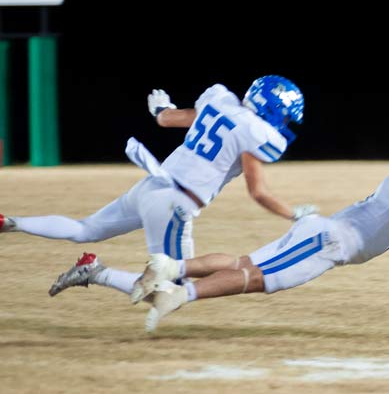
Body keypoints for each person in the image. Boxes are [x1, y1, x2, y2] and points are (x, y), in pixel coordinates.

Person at [0, 76, 311, 301]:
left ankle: (12, 222)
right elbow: (258, 192)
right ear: (272, 109)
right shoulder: (255, 132)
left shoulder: (220, 102)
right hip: (175, 202)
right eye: (285, 116)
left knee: (85, 229)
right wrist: (294, 214)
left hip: (151, 184)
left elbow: (166, 119)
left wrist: (161, 108)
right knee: (171, 291)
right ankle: (95, 272)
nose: (284, 124)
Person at [138, 151, 389, 332]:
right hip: (327, 242)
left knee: (244, 264)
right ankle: (180, 294)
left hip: (323, 236)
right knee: (258, 278)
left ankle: (169, 268)